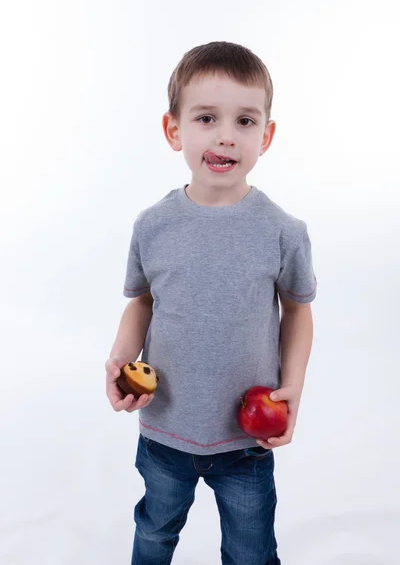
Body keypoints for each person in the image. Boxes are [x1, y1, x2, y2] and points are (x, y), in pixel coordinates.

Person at [105, 40, 317, 565]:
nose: (226, 135)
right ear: (173, 129)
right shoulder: (152, 225)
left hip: (246, 442)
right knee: (154, 532)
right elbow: (142, 303)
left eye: (245, 121)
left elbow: (297, 310)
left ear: (266, 136)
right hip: (164, 429)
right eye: (206, 118)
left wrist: (293, 388)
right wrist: (119, 360)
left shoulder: (283, 231)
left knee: (250, 549)